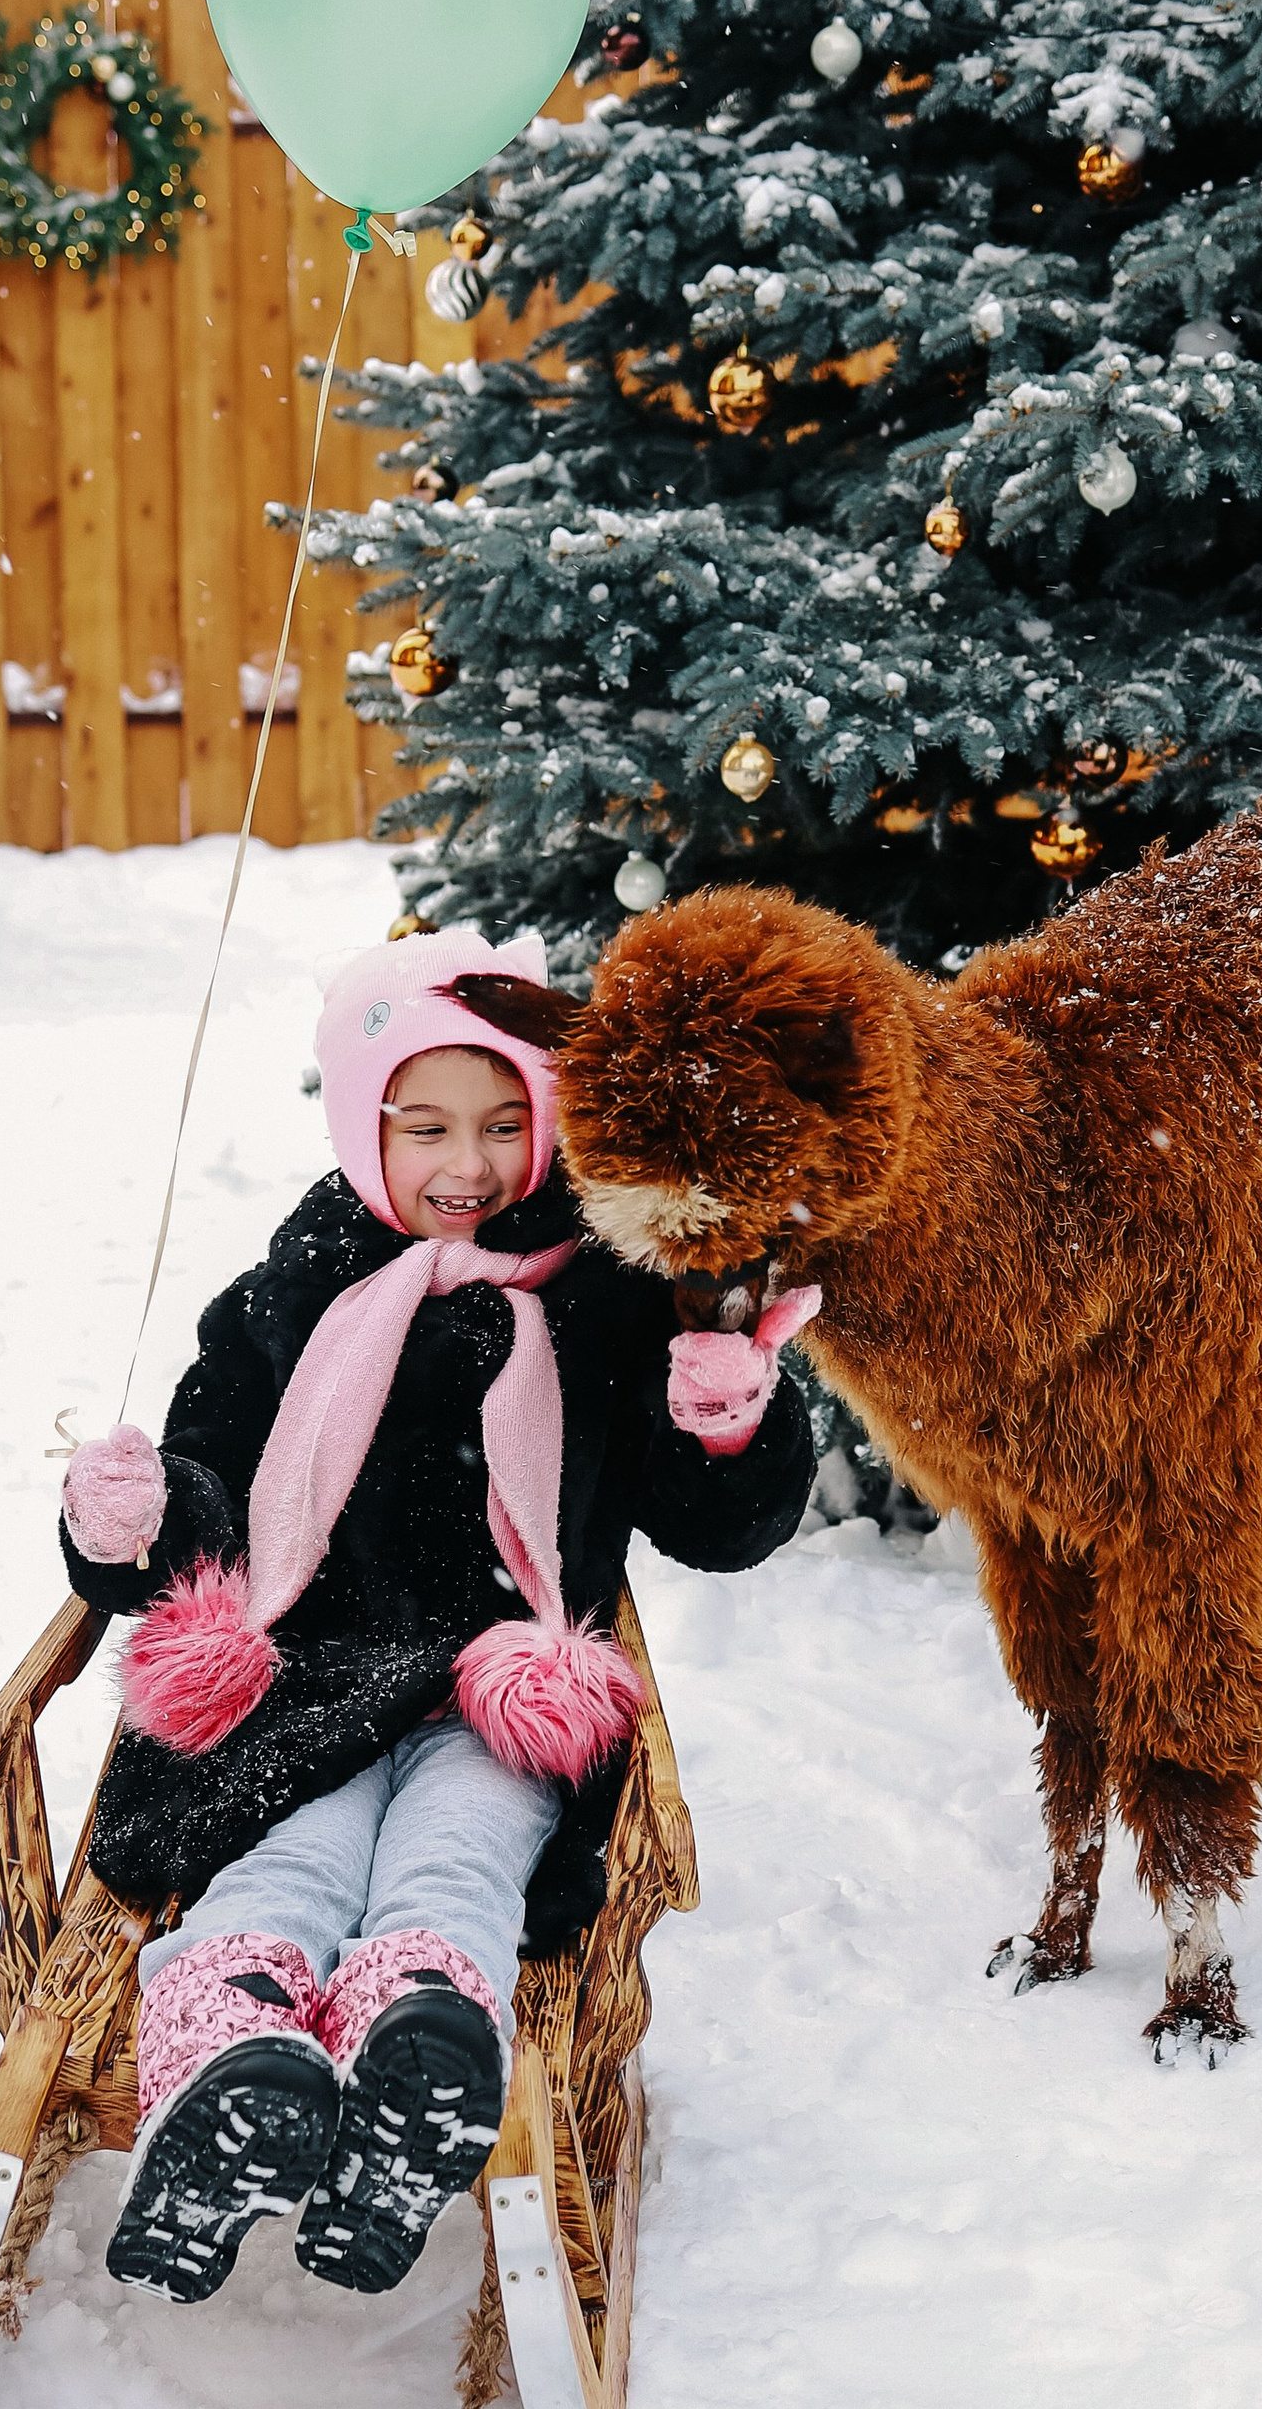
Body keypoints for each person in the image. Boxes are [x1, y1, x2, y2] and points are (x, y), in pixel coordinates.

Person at [56, 927, 814, 2307]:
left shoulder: (607, 1307)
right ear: (366, 1131)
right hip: (304, 1689)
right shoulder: (288, 1303)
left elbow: (715, 1530)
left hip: (498, 1692)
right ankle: (232, 2064)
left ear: (547, 1129)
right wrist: (131, 1516)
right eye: (424, 1128)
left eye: (502, 1122)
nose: (463, 1164)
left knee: (457, 1863)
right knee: (287, 1864)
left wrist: (721, 1424)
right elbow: (207, 1495)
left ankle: (417, 2064)